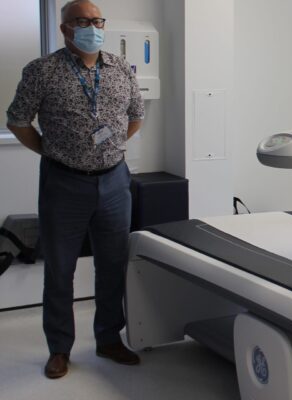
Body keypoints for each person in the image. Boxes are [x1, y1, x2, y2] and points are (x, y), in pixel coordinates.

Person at [5, 0, 145, 379]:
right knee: (60, 269)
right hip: (63, 182)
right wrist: (52, 152)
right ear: (65, 28)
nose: (92, 27)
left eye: (97, 20)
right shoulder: (42, 71)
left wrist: (109, 150)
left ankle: (109, 339)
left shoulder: (120, 69)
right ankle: (59, 349)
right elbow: (17, 120)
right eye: (82, 21)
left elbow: (136, 117)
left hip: (115, 181)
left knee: (113, 265)